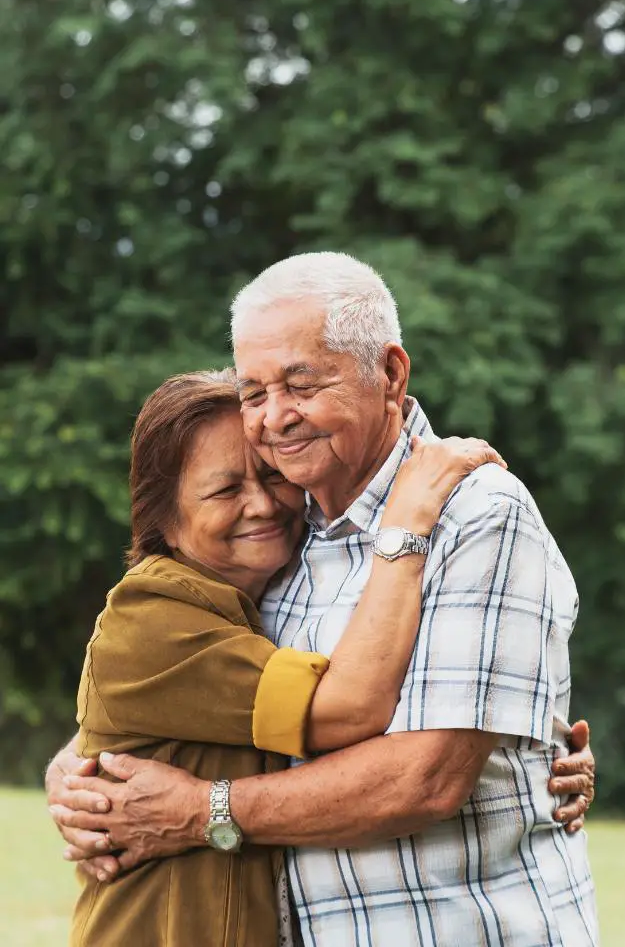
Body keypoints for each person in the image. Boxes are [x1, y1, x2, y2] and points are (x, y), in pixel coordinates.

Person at [48, 252, 598, 947]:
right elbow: (199, 698)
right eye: (255, 393)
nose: (276, 418)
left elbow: (422, 779)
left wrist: (200, 811)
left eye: (302, 384)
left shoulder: (475, 513)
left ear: (390, 373)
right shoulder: (282, 535)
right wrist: (80, 771)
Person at [63, 366, 504, 946]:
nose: (263, 505)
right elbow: (348, 708)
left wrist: (539, 755)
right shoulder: (153, 616)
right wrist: (405, 522)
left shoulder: (254, 599)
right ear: (163, 518)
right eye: (225, 490)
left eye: (273, 477)